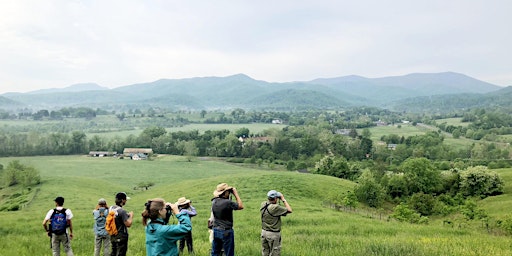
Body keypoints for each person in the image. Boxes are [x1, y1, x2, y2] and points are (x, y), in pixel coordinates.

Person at [211, 183, 244, 256]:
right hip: (226, 231)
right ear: (225, 193)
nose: (229, 193)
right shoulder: (228, 203)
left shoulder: (214, 201)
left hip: (216, 230)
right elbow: (241, 206)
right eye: (228, 191)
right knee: (229, 253)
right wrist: (235, 194)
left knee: (215, 253)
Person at [260, 190, 292, 256]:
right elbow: (289, 210)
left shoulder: (263, 204)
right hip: (273, 234)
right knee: (275, 253)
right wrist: (283, 199)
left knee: (265, 252)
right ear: (275, 198)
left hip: (264, 232)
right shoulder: (275, 207)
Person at [109, 192, 134, 256]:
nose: (126, 200)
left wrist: (126, 215)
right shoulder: (122, 211)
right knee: (121, 253)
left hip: (113, 234)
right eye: (125, 199)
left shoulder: (111, 208)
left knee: (113, 253)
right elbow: (128, 224)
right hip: (121, 236)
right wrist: (131, 216)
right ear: (122, 200)